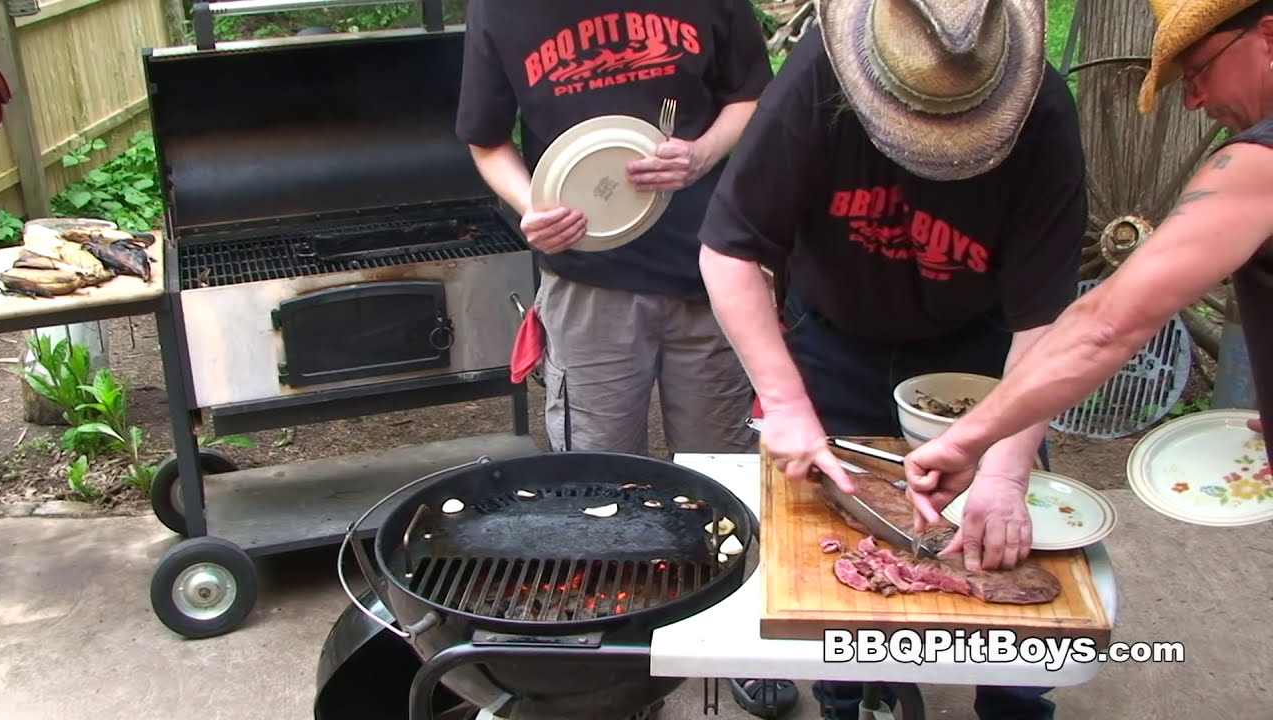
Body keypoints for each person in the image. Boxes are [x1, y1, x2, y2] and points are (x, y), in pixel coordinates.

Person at [696, 0, 1087, 718]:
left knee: (1007, 542)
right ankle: (847, 698)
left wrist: (1004, 470)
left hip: (978, 358)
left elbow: (1047, 326)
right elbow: (730, 250)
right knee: (829, 553)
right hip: (832, 339)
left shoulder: (1045, 113)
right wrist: (784, 405)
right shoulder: (818, 76)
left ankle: (1016, 703)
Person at [902, 0, 1273, 529]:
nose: (1194, 99)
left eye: (1197, 70)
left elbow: (1107, 324)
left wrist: (966, 439)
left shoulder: (1257, 164)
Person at [454, 0, 772, 459]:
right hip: (588, 279)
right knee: (599, 478)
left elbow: (751, 93)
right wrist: (533, 207)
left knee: (722, 467)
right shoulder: (500, 8)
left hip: (711, 269)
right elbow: (486, 140)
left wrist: (702, 153)